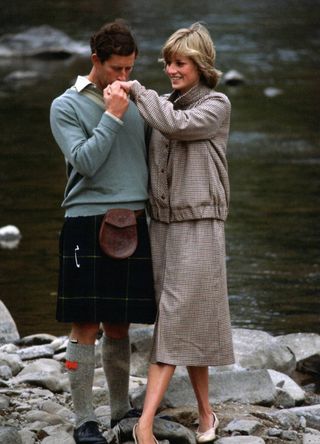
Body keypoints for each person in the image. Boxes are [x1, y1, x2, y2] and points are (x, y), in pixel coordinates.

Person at [113, 22, 235, 444]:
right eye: (167, 62)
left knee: (175, 319)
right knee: (186, 320)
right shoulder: (162, 104)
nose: (171, 69)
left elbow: (178, 126)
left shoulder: (216, 105)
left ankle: (144, 425)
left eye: (180, 62)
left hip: (200, 224)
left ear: (200, 64)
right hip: (162, 225)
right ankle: (206, 415)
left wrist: (139, 93)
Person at [50, 20, 157, 444]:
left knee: (119, 325)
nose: (124, 78)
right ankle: (83, 420)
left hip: (134, 216)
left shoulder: (140, 99)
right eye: (117, 69)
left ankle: (120, 412)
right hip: (85, 220)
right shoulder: (66, 105)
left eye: (130, 69)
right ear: (96, 60)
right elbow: (86, 162)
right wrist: (113, 114)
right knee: (84, 325)